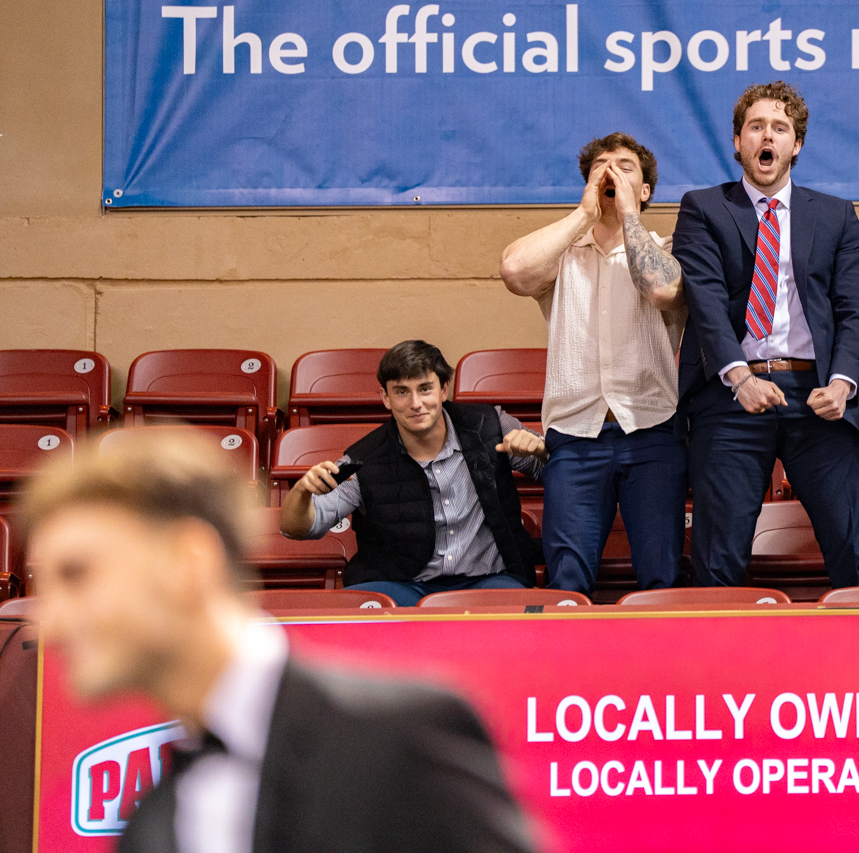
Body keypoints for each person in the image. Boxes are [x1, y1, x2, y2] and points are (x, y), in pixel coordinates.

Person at [21, 431, 537, 853]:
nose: (50, 622)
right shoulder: (150, 828)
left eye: (77, 575)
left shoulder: (401, 735)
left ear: (187, 562)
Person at [672, 81, 859, 589]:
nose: (768, 137)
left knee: (853, 552)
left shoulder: (836, 215)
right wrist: (739, 377)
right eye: (756, 127)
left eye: (780, 128)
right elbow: (707, 303)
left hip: (817, 397)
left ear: (797, 144)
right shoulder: (703, 208)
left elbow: (855, 310)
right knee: (717, 559)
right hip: (731, 397)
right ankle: (720, 666)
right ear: (738, 142)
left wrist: (844, 383)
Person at [500, 133, 687, 595]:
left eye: (625, 167)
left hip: (652, 432)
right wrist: (584, 214)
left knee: (660, 576)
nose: (610, 173)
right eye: (600, 167)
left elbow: (662, 290)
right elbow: (514, 272)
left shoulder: (667, 252)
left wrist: (627, 215)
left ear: (645, 190)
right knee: (567, 579)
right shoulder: (561, 257)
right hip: (575, 437)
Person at [279, 341, 545, 606]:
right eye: (402, 392)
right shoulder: (364, 459)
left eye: (425, 389)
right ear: (386, 398)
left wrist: (541, 453)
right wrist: (302, 491)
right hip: (402, 585)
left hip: (489, 578)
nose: (416, 403)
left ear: (443, 389)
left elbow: (560, 472)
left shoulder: (491, 426)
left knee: (513, 608)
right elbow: (298, 529)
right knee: (366, 610)